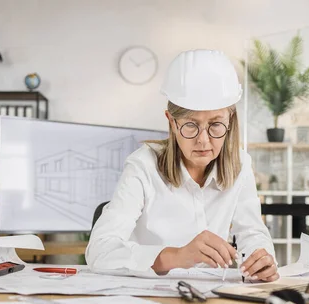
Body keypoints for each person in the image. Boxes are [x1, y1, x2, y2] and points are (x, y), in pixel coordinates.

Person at [86, 49, 278, 282]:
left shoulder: (241, 164)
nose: (203, 140)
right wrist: (175, 256)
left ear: (231, 120)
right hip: (148, 300)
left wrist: (261, 257)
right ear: (171, 121)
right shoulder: (143, 166)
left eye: (216, 125)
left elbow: (252, 232)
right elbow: (99, 251)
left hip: (211, 297)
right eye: (190, 125)